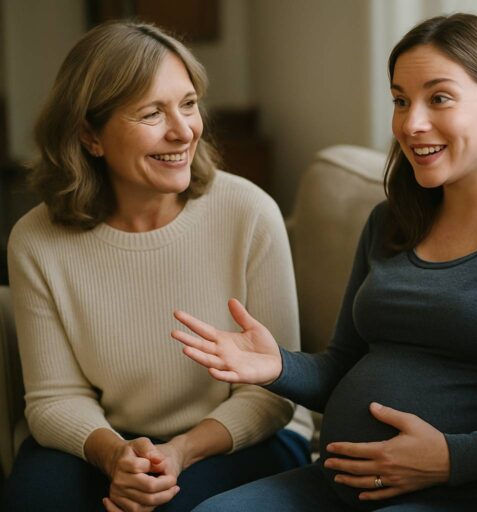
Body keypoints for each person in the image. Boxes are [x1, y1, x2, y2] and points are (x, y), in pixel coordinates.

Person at [178, 13, 477, 512]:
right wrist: (277, 365)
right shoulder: (391, 221)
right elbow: (340, 368)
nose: (412, 124)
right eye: (401, 100)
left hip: (465, 491)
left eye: (440, 98)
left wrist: (451, 458)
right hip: (337, 483)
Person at [2, 21, 313, 512]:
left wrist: (180, 452)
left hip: (244, 435)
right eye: (151, 113)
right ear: (90, 135)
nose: (183, 129)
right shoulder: (36, 240)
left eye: (188, 104)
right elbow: (53, 399)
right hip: (109, 437)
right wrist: (116, 456)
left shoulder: (249, 213)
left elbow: (274, 394)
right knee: (34, 501)